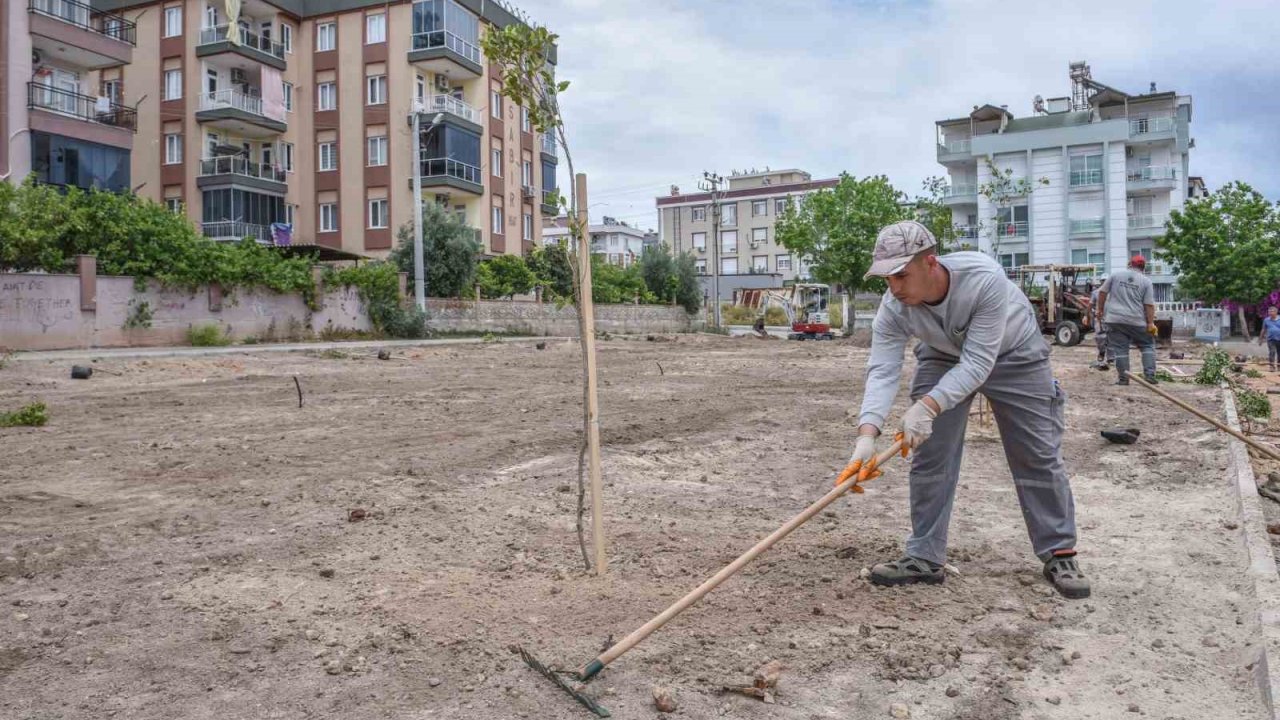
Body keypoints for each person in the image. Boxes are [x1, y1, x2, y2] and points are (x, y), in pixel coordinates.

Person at [849, 221, 1088, 599]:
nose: (893, 288)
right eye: (886, 279)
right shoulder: (894, 306)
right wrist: (867, 434)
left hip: (1014, 353)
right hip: (942, 355)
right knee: (930, 452)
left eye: (901, 275)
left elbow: (978, 363)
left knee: (1036, 452)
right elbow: (882, 368)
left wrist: (926, 406)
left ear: (930, 262)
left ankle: (1059, 551)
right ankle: (924, 556)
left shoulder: (984, 279)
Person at [1097, 256, 1157, 386]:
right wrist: (1150, 323)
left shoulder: (1116, 275)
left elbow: (1102, 292)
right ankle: (1150, 376)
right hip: (1136, 320)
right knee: (1147, 345)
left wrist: (1100, 310)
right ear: (1143, 267)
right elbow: (1149, 305)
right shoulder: (1146, 281)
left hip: (1114, 319)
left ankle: (1123, 379)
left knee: (1120, 349)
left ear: (1130, 264)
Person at [1090, 278, 1114, 369]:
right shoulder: (1096, 293)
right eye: (1103, 281)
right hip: (1099, 319)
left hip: (1111, 318)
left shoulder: (1113, 293)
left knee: (1111, 338)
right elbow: (1091, 304)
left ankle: (1111, 358)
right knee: (1100, 337)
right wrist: (1088, 315)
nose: (1104, 282)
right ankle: (1102, 352)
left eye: (1106, 281)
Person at [1259, 306, 1280, 372]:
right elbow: (1263, 329)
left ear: (1276, 312)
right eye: (1269, 312)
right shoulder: (1266, 320)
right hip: (1271, 339)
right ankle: (1272, 366)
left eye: (1272, 311)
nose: (1270, 313)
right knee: (1272, 352)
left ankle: (1279, 366)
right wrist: (1260, 339)